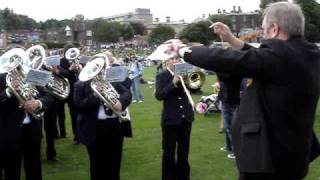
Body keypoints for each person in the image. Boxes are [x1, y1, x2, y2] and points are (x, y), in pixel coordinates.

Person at [166, 2, 320, 179]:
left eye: (263, 31)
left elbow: (226, 59)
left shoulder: (281, 56)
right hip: (293, 155)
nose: (262, 36)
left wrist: (182, 49)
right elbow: (260, 58)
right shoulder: (307, 54)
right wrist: (232, 39)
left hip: (269, 161)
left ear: (274, 29)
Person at [74, 55, 132, 180]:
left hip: (115, 126)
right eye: (97, 68)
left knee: (115, 163)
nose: (100, 71)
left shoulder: (112, 80)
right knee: (97, 165)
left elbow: (127, 93)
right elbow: (78, 105)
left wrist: (121, 103)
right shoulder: (81, 85)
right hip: (94, 129)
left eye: (102, 67)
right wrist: (95, 96)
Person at [0, 70, 54, 180]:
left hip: (32, 129)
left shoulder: (33, 71)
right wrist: (9, 91)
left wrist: (38, 103)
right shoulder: (1, 76)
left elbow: (48, 96)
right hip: (10, 131)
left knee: (34, 168)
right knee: (11, 171)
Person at [155, 54, 194, 180]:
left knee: (184, 151)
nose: (175, 61)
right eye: (172, 59)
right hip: (170, 119)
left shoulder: (185, 73)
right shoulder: (162, 76)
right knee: (169, 152)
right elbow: (159, 95)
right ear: (166, 62)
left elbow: (193, 90)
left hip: (186, 118)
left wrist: (192, 82)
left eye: (177, 58)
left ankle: (183, 176)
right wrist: (173, 82)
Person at [53, 43, 81, 144]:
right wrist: (70, 69)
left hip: (73, 90)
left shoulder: (76, 61)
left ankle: (77, 137)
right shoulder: (60, 61)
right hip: (62, 90)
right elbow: (62, 74)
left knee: (74, 114)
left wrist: (78, 69)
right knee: (60, 113)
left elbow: (80, 76)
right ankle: (63, 132)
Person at [216, 74, 242, 159]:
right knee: (228, 126)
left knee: (230, 126)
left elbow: (222, 77)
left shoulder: (230, 71)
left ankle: (236, 152)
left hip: (229, 99)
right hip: (227, 98)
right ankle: (229, 147)